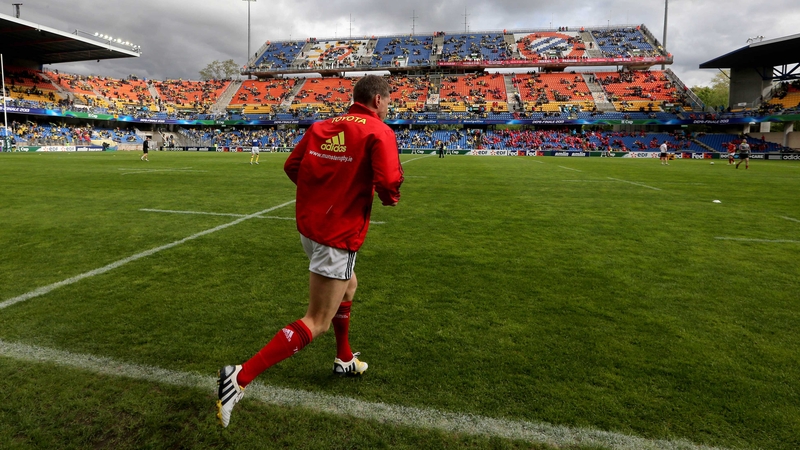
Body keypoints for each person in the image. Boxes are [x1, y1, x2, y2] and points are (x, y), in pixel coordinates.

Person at [216, 75, 404, 428]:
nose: (389, 106)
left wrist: (322, 196)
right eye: (389, 101)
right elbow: (390, 183)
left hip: (311, 228)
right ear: (378, 99)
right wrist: (388, 198)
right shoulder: (379, 131)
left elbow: (292, 166)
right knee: (316, 319)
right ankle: (239, 378)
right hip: (338, 235)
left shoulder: (323, 125)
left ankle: (344, 358)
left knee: (349, 285)